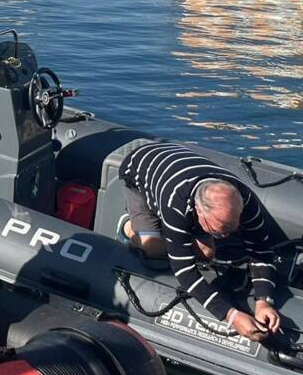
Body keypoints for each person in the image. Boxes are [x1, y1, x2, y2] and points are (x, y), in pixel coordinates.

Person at [119, 141, 286, 343]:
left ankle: (179, 235)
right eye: (220, 230)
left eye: (231, 230)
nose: (226, 236)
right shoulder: (175, 204)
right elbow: (184, 271)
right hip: (140, 170)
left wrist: (264, 300)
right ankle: (128, 226)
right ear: (198, 211)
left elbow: (260, 250)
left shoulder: (247, 200)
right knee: (154, 248)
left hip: (181, 171)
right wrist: (230, 315)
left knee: (207, 253)